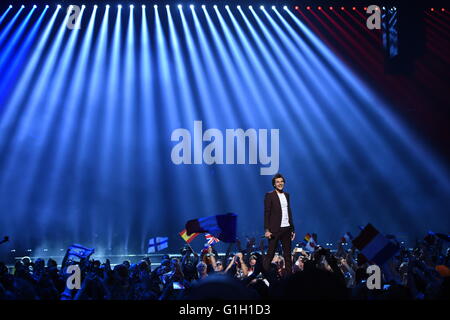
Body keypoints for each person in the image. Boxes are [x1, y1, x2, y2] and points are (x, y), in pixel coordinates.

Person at [263, 173, 295, 276]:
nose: (280, 183)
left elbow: (289, 211)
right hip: (274, 229)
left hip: (287, 228)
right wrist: (267, 230)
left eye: (281, 181)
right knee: (270, 253)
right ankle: (264, 275)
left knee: (287, 254)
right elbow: (267, 212)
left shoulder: (287, 195)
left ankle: (289, 277)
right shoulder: (270, 195)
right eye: (277, 182)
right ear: (274, 184)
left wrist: (292, 229)